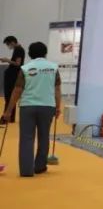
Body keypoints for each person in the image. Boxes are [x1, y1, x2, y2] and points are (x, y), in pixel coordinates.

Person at [2, 41, 61, 177]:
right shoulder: (53, 68)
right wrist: (58, 107)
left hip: (27, 106)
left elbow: (17, 90)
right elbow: (57, 89)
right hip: (47, 106)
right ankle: (40, 167)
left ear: (29, 54)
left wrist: (8, 111)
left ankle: (26, 171)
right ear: (45, 53)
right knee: (44, 137)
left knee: (26, 138)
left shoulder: (25, 68)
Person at [1, 35, 25, 124]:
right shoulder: (19, 49)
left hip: (13, 75)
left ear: (12, 42)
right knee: (11, 96)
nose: (8, 46)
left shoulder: (18, 49)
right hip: (13, 74)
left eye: (8, 44)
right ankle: (10, 117)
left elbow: (18, 63)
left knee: (9, 96)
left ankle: (6, 117)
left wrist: (7, 60)